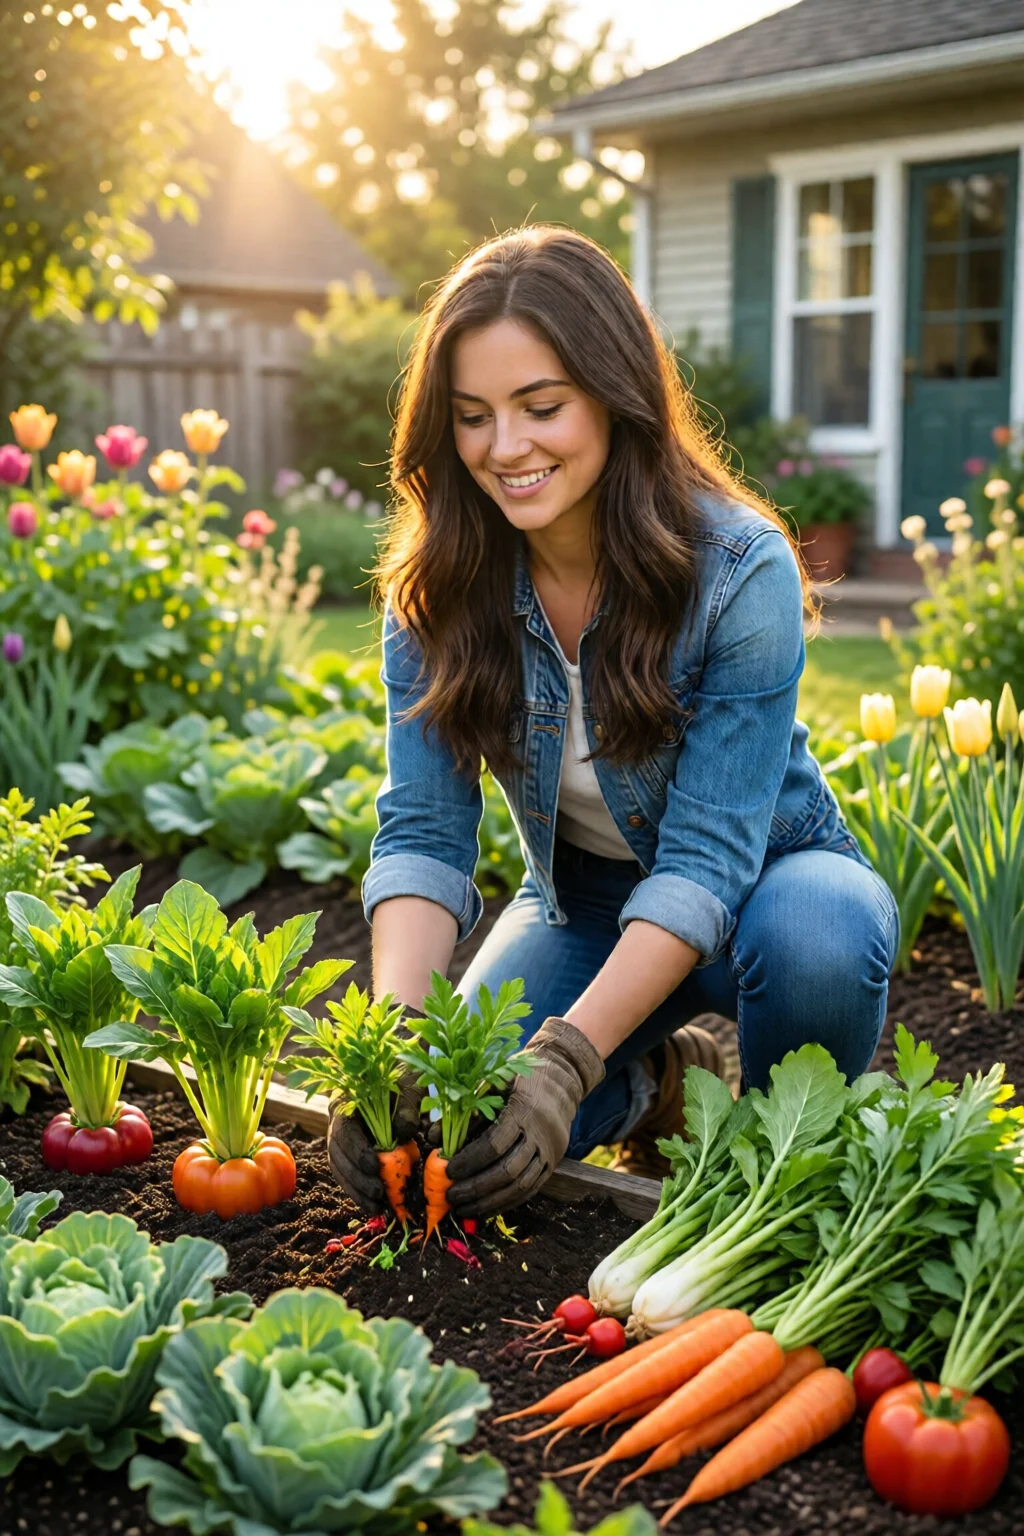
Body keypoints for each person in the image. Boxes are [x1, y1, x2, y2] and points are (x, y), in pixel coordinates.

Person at [328, 225, 899, 1220]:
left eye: (540, 406)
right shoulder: (436, 586)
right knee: (464, 1139)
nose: (506, 448)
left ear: (613, 393)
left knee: (819, 933)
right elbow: (422, 830)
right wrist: (390, 1054)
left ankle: (773, 1169)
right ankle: (653, 1085)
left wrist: (565, 1056)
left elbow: (708, 860)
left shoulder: (738, 569)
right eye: (472, 417)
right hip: (587, 901)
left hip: (768, 878)